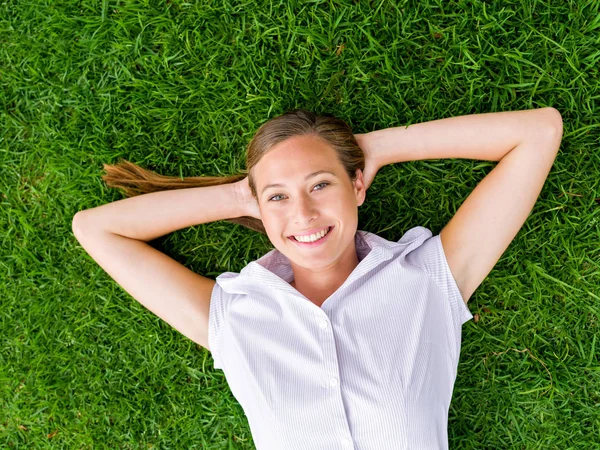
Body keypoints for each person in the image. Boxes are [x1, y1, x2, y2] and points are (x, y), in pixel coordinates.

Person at [72, 107, 563, 449]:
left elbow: (538, 132)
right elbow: (95, 228)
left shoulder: (429, 279)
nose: (303, 214)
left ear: (357, 185)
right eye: (280, 198)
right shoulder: (233, 316)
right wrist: (243, 197)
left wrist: (371, 150)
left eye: (320, 184)